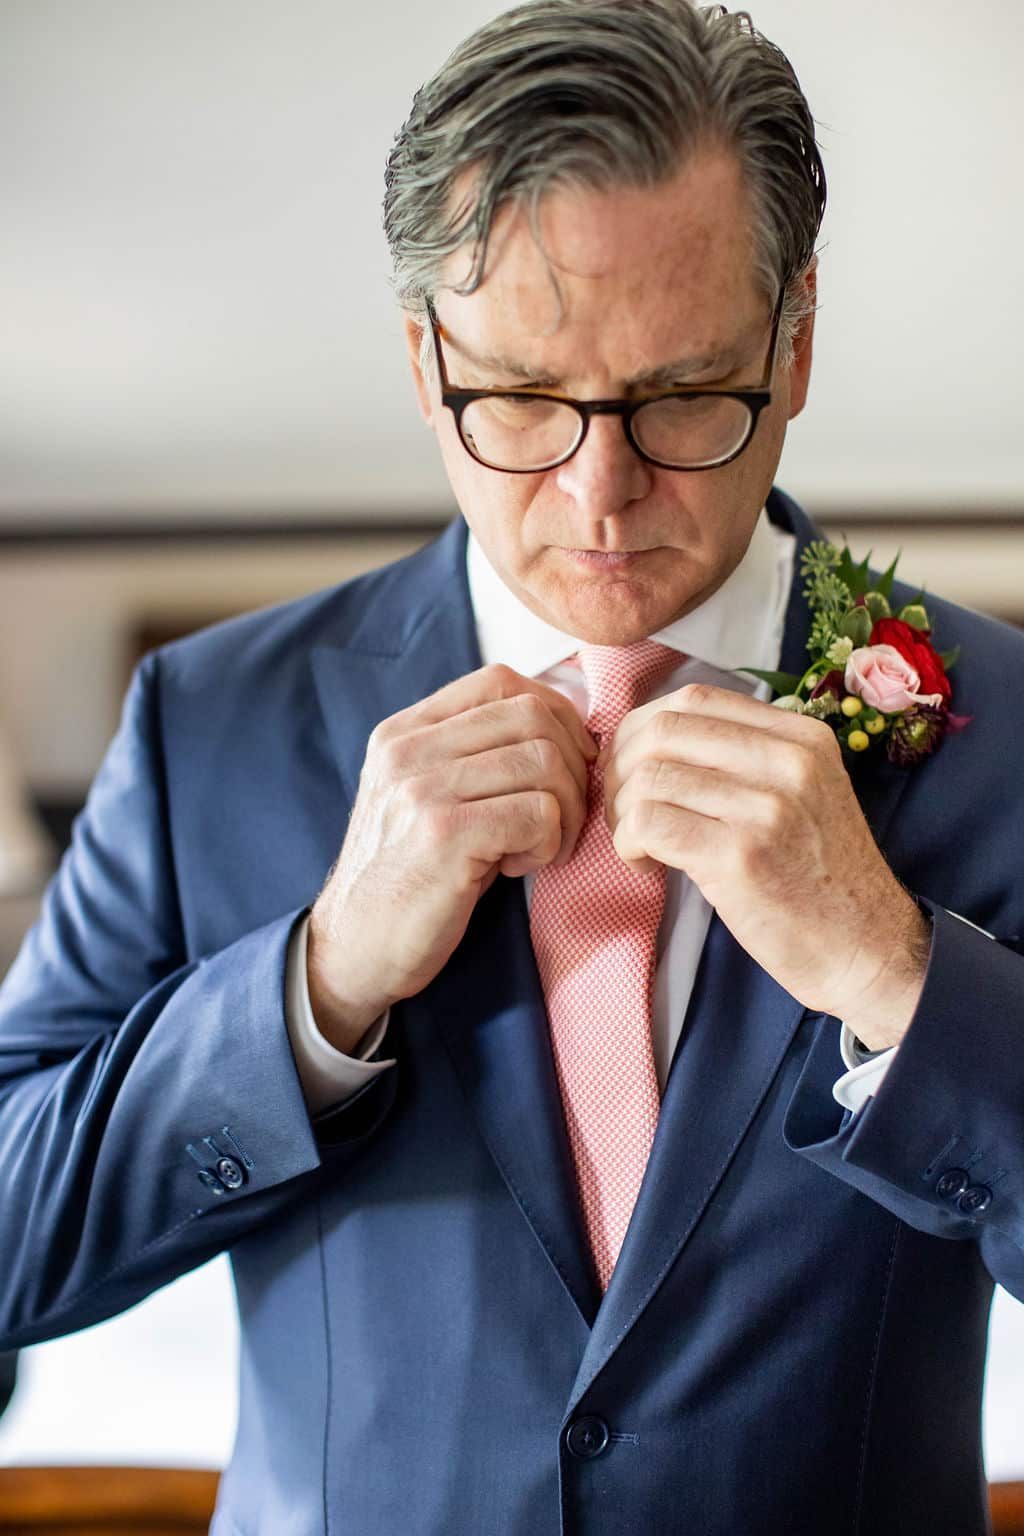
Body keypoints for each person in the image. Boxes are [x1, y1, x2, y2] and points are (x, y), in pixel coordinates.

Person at [1, 2, 1021, 1531]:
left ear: (794, 343)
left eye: (685, 395)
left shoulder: (1004, 727)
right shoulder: (206, 724)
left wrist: (892, 971)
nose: (602, 497)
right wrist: (319, 985)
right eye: (525, 400)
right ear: (425, 363)